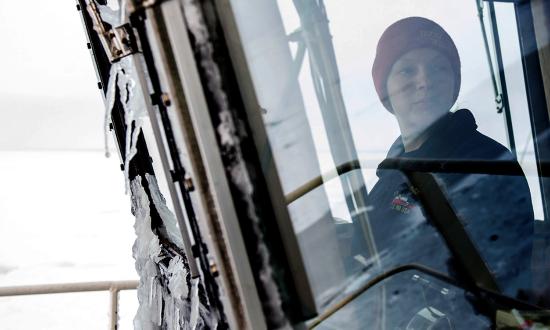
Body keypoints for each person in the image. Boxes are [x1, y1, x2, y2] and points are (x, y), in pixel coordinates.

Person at [365, 17, 534, 301]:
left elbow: (495, 280)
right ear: (384, 91)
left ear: (454, 82)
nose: (424, 81)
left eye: (438, 68)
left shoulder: (486, 163)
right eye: (407, 71)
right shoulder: (389, 176)